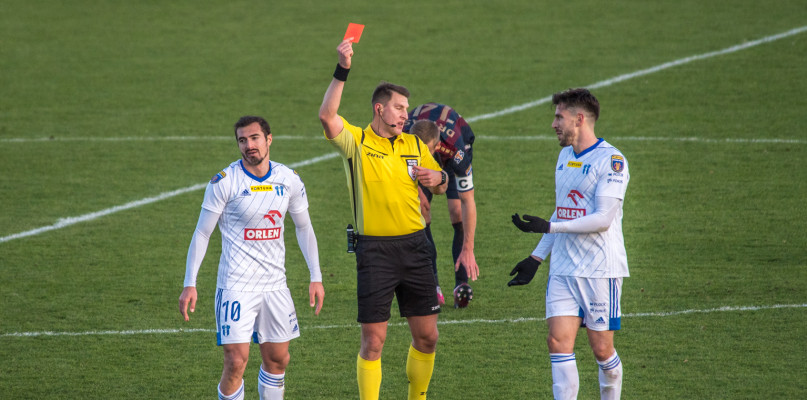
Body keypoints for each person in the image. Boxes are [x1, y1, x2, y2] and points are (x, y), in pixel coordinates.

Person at [318, 38, 450, 400]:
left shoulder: (414, 145)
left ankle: (417, 397)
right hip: (375, 252)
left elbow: (442, 183)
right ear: (379, 109)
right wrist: (342, 69)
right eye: (399, 108)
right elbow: (327, 117)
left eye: (406, 108)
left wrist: (437, 179)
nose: (405, 115)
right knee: (373, 340)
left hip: (416, 247)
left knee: (428, 336)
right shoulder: (357, 142)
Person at [178, 116, 325, 400]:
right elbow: (202, 233)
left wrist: (315, 276)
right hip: (236, 285)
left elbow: (304, 227)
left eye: (255, 138)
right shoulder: (224, 182)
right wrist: (190, 283)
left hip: (275, 285)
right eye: (242, 140)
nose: (249, 145)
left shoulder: (289, 179)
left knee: (278, 359)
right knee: (235, 362)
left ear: (269, 139)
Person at [509, 88, 629, 400]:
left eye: (558, 117)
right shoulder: (564, 156)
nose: (553, 124)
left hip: (600, 271)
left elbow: (602, 218)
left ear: (579, 119)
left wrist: (551, 226)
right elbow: (563, 210)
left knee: (602, 350)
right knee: (558, 342)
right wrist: (536, 257)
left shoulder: (612, 161)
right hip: (563, 269)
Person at [405, 104, 480, 308]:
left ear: (436, 145)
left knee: (457, 213)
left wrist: (469, 247)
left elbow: (468, 200)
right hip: (415, 158)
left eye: (427, 150)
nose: (424, 154)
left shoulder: (456, 151)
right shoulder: (403, 140)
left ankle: (461, 285)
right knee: (421, 208)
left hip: (453, 148)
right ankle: (433, 287)